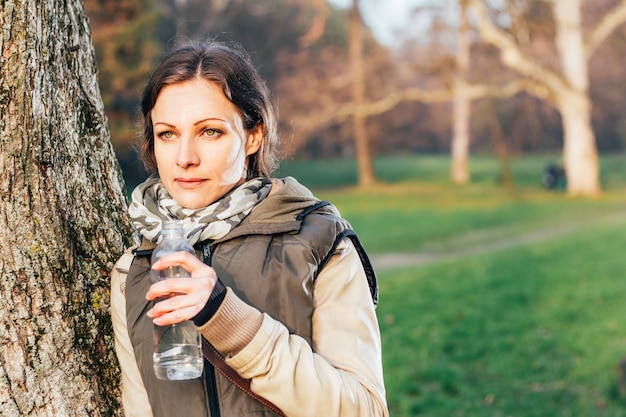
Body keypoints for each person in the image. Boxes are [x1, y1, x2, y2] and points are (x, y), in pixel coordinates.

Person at [110, 40, 388, 417]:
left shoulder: (319, 242)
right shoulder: (133, 270)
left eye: (210, 132)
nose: (185, 158)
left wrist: (226, 317)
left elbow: (364, 410)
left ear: (253, 135)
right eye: (168, 134)